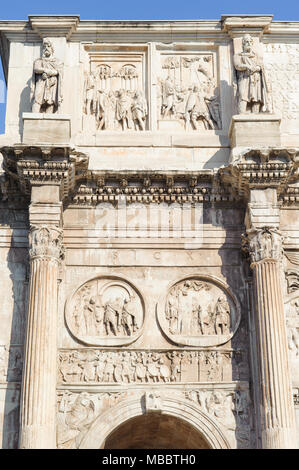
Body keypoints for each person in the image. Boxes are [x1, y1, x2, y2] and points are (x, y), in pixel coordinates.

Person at [233, 34, 268, 114]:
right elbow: (237, 65)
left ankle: (256, 115)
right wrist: (247, 66)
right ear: (243, 44)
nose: (248, 43)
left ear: (252, 43)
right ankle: (241, 114)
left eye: (250, 42)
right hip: (244, 78)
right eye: (246, 42)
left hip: (255, 78)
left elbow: (260, 65)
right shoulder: (238, 55)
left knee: (256, 97)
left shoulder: (256, 55)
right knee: (242, 95)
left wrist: (256, 68)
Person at [30, 38, 63, 113]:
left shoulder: (57, 62)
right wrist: (44, 70)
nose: (46, 49)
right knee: (37, 99)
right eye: (44, 47)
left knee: (50, 101)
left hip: (52, 83)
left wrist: (49, 72)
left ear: (52, 49)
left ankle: (49, 118)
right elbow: (36, 68)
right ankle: (34, 115)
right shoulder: (39, 60)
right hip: (41, 82)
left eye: (48, 46)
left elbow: (58, 71)